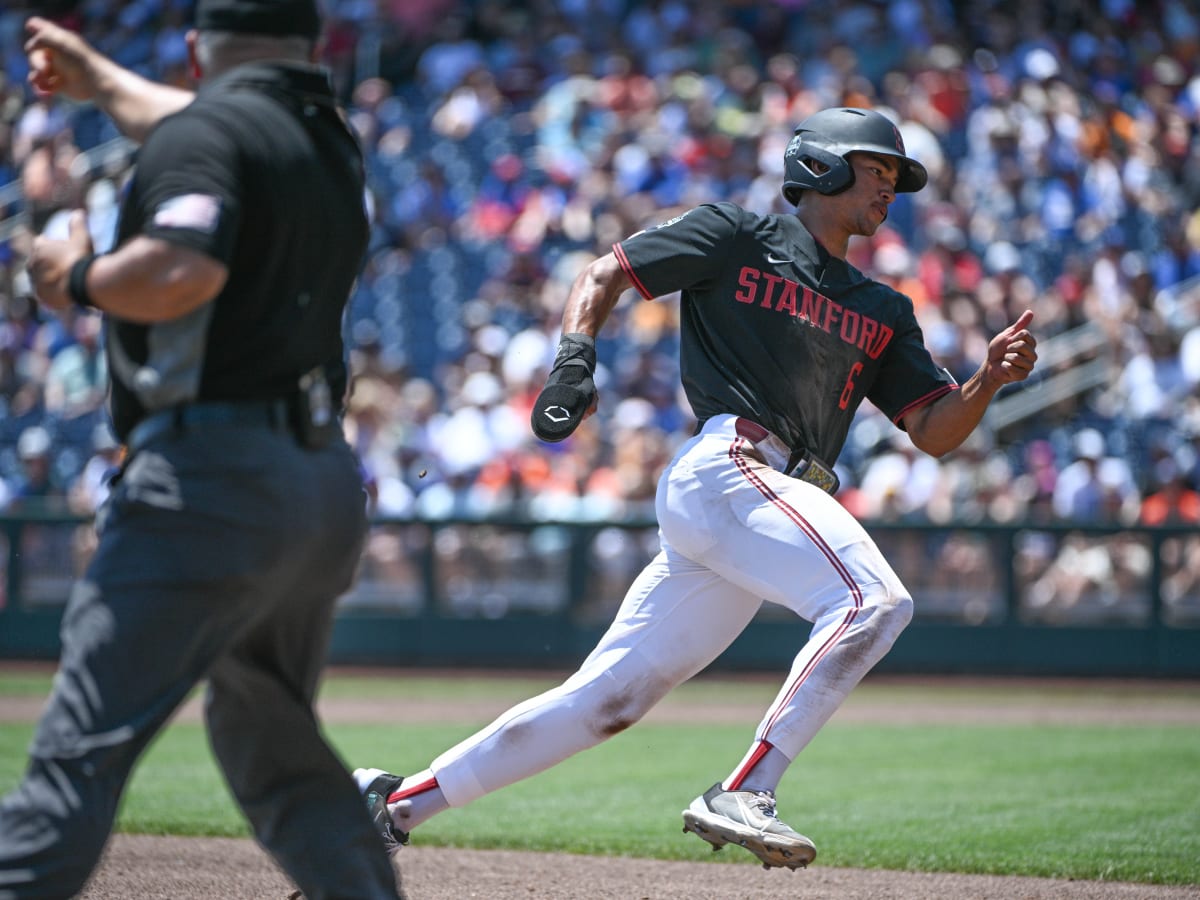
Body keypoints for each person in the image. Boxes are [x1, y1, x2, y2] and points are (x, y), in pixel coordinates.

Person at [355, 107, 1038, 869]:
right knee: (873, 601)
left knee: (606, 701)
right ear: (822, 166)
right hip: (729, 467)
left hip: (757, 501)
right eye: (878, 170)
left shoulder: (883, 308)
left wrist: (987, 379)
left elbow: (935, 430)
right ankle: (744, 791)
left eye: (895, 179)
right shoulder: (738, 236)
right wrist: (574, 361)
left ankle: (393, 802)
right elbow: (604, 271)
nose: (891, 190)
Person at [2, 4, 404, 899]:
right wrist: (100, 79)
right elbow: (207, 123)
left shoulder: (209, 131)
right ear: (313, 48)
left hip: (208, 483)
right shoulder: (325, 139)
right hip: (318, 482)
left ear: (194, 51)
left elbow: (182, 266)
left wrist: (73, 275)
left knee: (78, 753)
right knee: (279, 756)